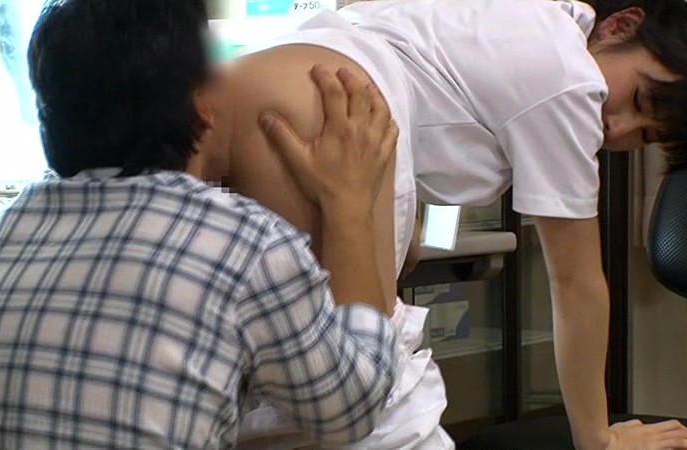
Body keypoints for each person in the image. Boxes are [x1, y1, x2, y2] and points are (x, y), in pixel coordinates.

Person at [202, 0, 687, 449]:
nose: (618, 127)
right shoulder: (574, 83)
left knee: (228, 370)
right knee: (378, 409)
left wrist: (405, 223)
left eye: (644, 136)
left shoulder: (526, 19)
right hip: (342, 114)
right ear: (621, 25)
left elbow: (429, 87)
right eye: (638, 100)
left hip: (254, 77)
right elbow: (577, 282)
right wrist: (600, 439)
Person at [0, 0, 405, 447]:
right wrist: (349, 205)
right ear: (202, 104)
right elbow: (350, 410)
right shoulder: (248, 244)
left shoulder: (5, 231)